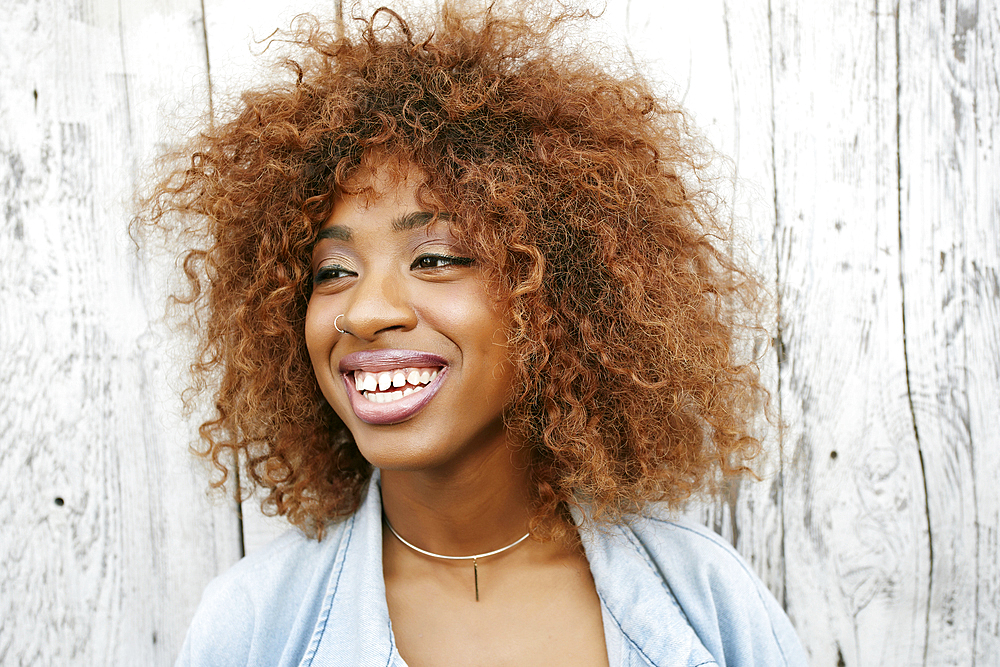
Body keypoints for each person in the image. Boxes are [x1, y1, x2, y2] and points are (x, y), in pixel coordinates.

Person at [142, 3, 808, 665]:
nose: (366, 311)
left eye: (434, 259)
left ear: (555, 293)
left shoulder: (706, 602)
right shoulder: (254, 626)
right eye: (333, 270)